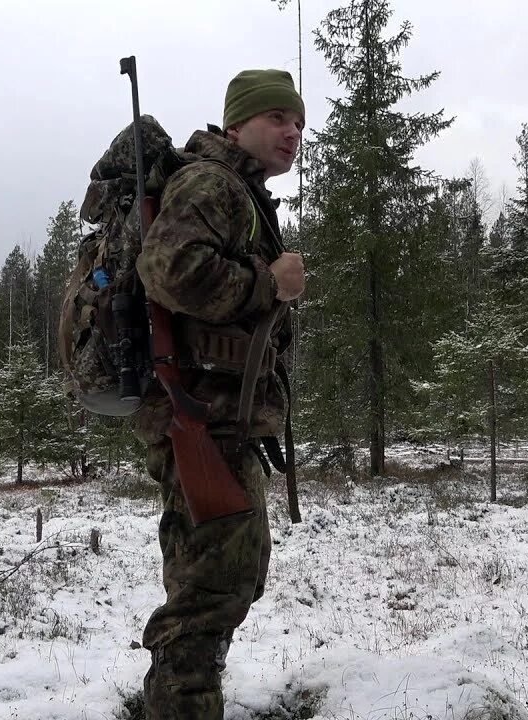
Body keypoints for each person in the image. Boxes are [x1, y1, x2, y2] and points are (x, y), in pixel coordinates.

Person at [132, 68, 307, 720]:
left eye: (298, 122)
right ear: (237, 123)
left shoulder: (241, 192)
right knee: (210, 593)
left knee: (221, 582)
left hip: (215, 420)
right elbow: (167, 267)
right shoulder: (214, 184)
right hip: (199, 416)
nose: (291, 132)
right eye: (277, 119)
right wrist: (269, 282)